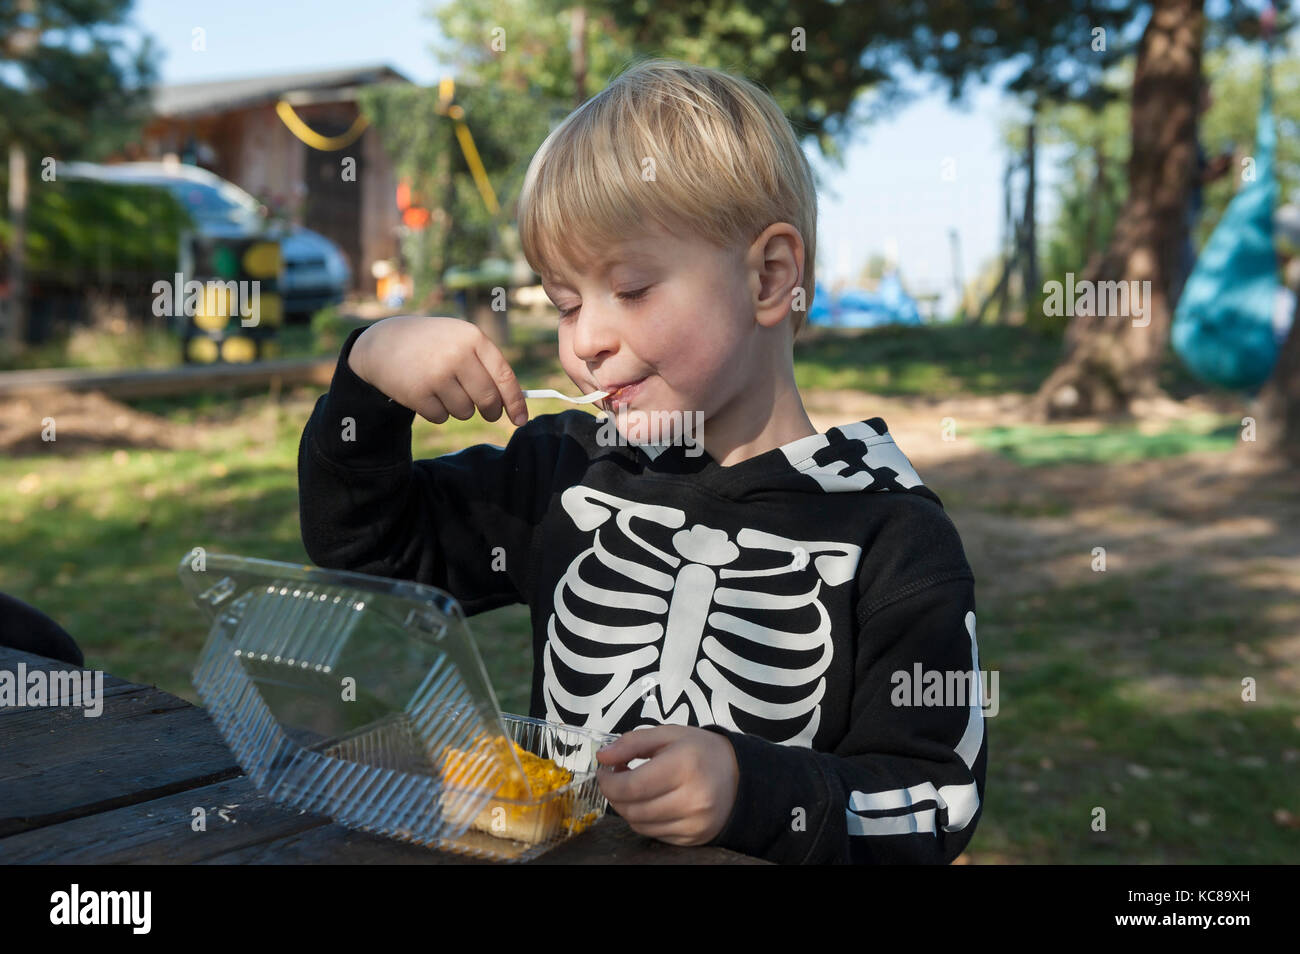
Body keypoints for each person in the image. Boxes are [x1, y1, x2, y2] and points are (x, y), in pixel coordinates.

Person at [297, 59, 986, 864]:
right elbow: (366, 548)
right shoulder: (567, 472)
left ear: (770, 277)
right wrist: (368, 383)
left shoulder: (890, 534)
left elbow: (938, 802)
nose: (585, 339)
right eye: (563, 302)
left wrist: (752, 791)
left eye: (630, 289)